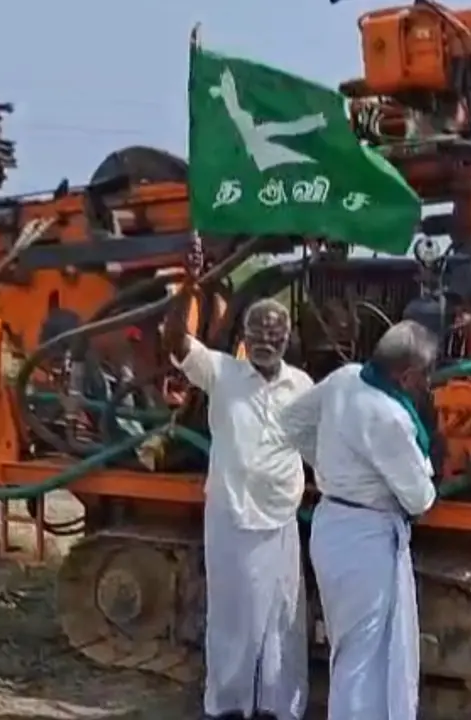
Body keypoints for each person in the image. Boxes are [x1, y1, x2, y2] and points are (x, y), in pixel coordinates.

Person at [164, 243, 312, 720]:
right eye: (258, 332)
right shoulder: (223, 373)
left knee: (282, 622)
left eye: (275, 332)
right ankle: (228, 707)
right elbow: (176, 343)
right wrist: (187, 288)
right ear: (245, 337)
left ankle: (276, 707)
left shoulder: (303, 386)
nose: (267, 340)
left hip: (281, 523)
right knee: (231, 619)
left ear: (287, 338)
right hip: (231, 518)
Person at [279, 320, 440, 720]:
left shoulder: (345, 379)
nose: (429, 384)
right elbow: (419, 498)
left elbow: (291, 423)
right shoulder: (389, 417)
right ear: (407, 375)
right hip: (365, 538)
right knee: (361, 656)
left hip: (334, 523)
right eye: (427, 375)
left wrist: (332, 466)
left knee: (359, 649)